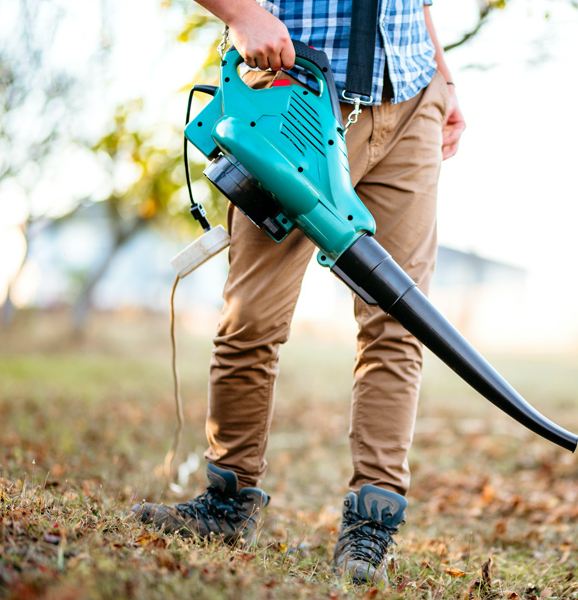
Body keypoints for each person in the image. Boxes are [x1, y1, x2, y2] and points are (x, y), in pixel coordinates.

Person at [131, 0, 466, 586]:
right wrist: (240, 14)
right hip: (296, 90)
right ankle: (226, 503)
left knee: (397, 320)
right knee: (252, 318)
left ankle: (372, 522)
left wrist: (445, 77)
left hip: (412, 99)